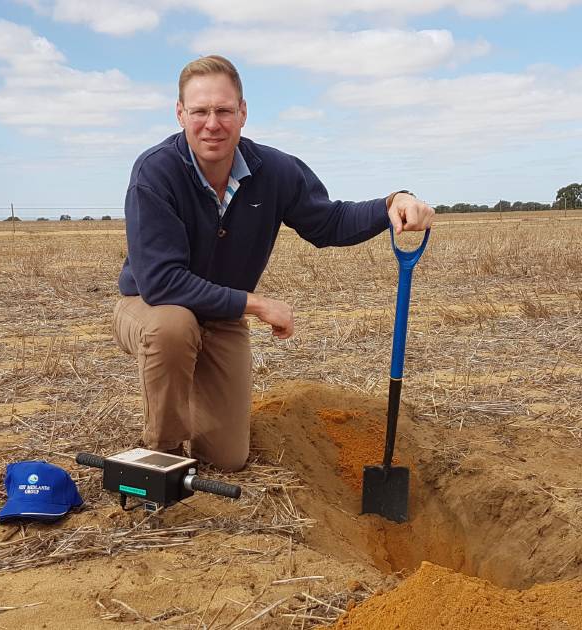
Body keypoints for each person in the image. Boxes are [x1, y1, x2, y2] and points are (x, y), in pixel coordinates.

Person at [113, 55, 435, 471]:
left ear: (243, 113)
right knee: (173, 328)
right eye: (200, 111)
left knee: (228, 459)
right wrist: (259, 304)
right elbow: (162, 283)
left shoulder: (276, 171)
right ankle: (163, 453)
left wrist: (394, 201)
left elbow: (329, 222)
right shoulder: (155, 173)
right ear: (180, 114)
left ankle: (190, 393)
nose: (212, 123)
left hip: (220, 317)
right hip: (149, 307)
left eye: (224, 111)